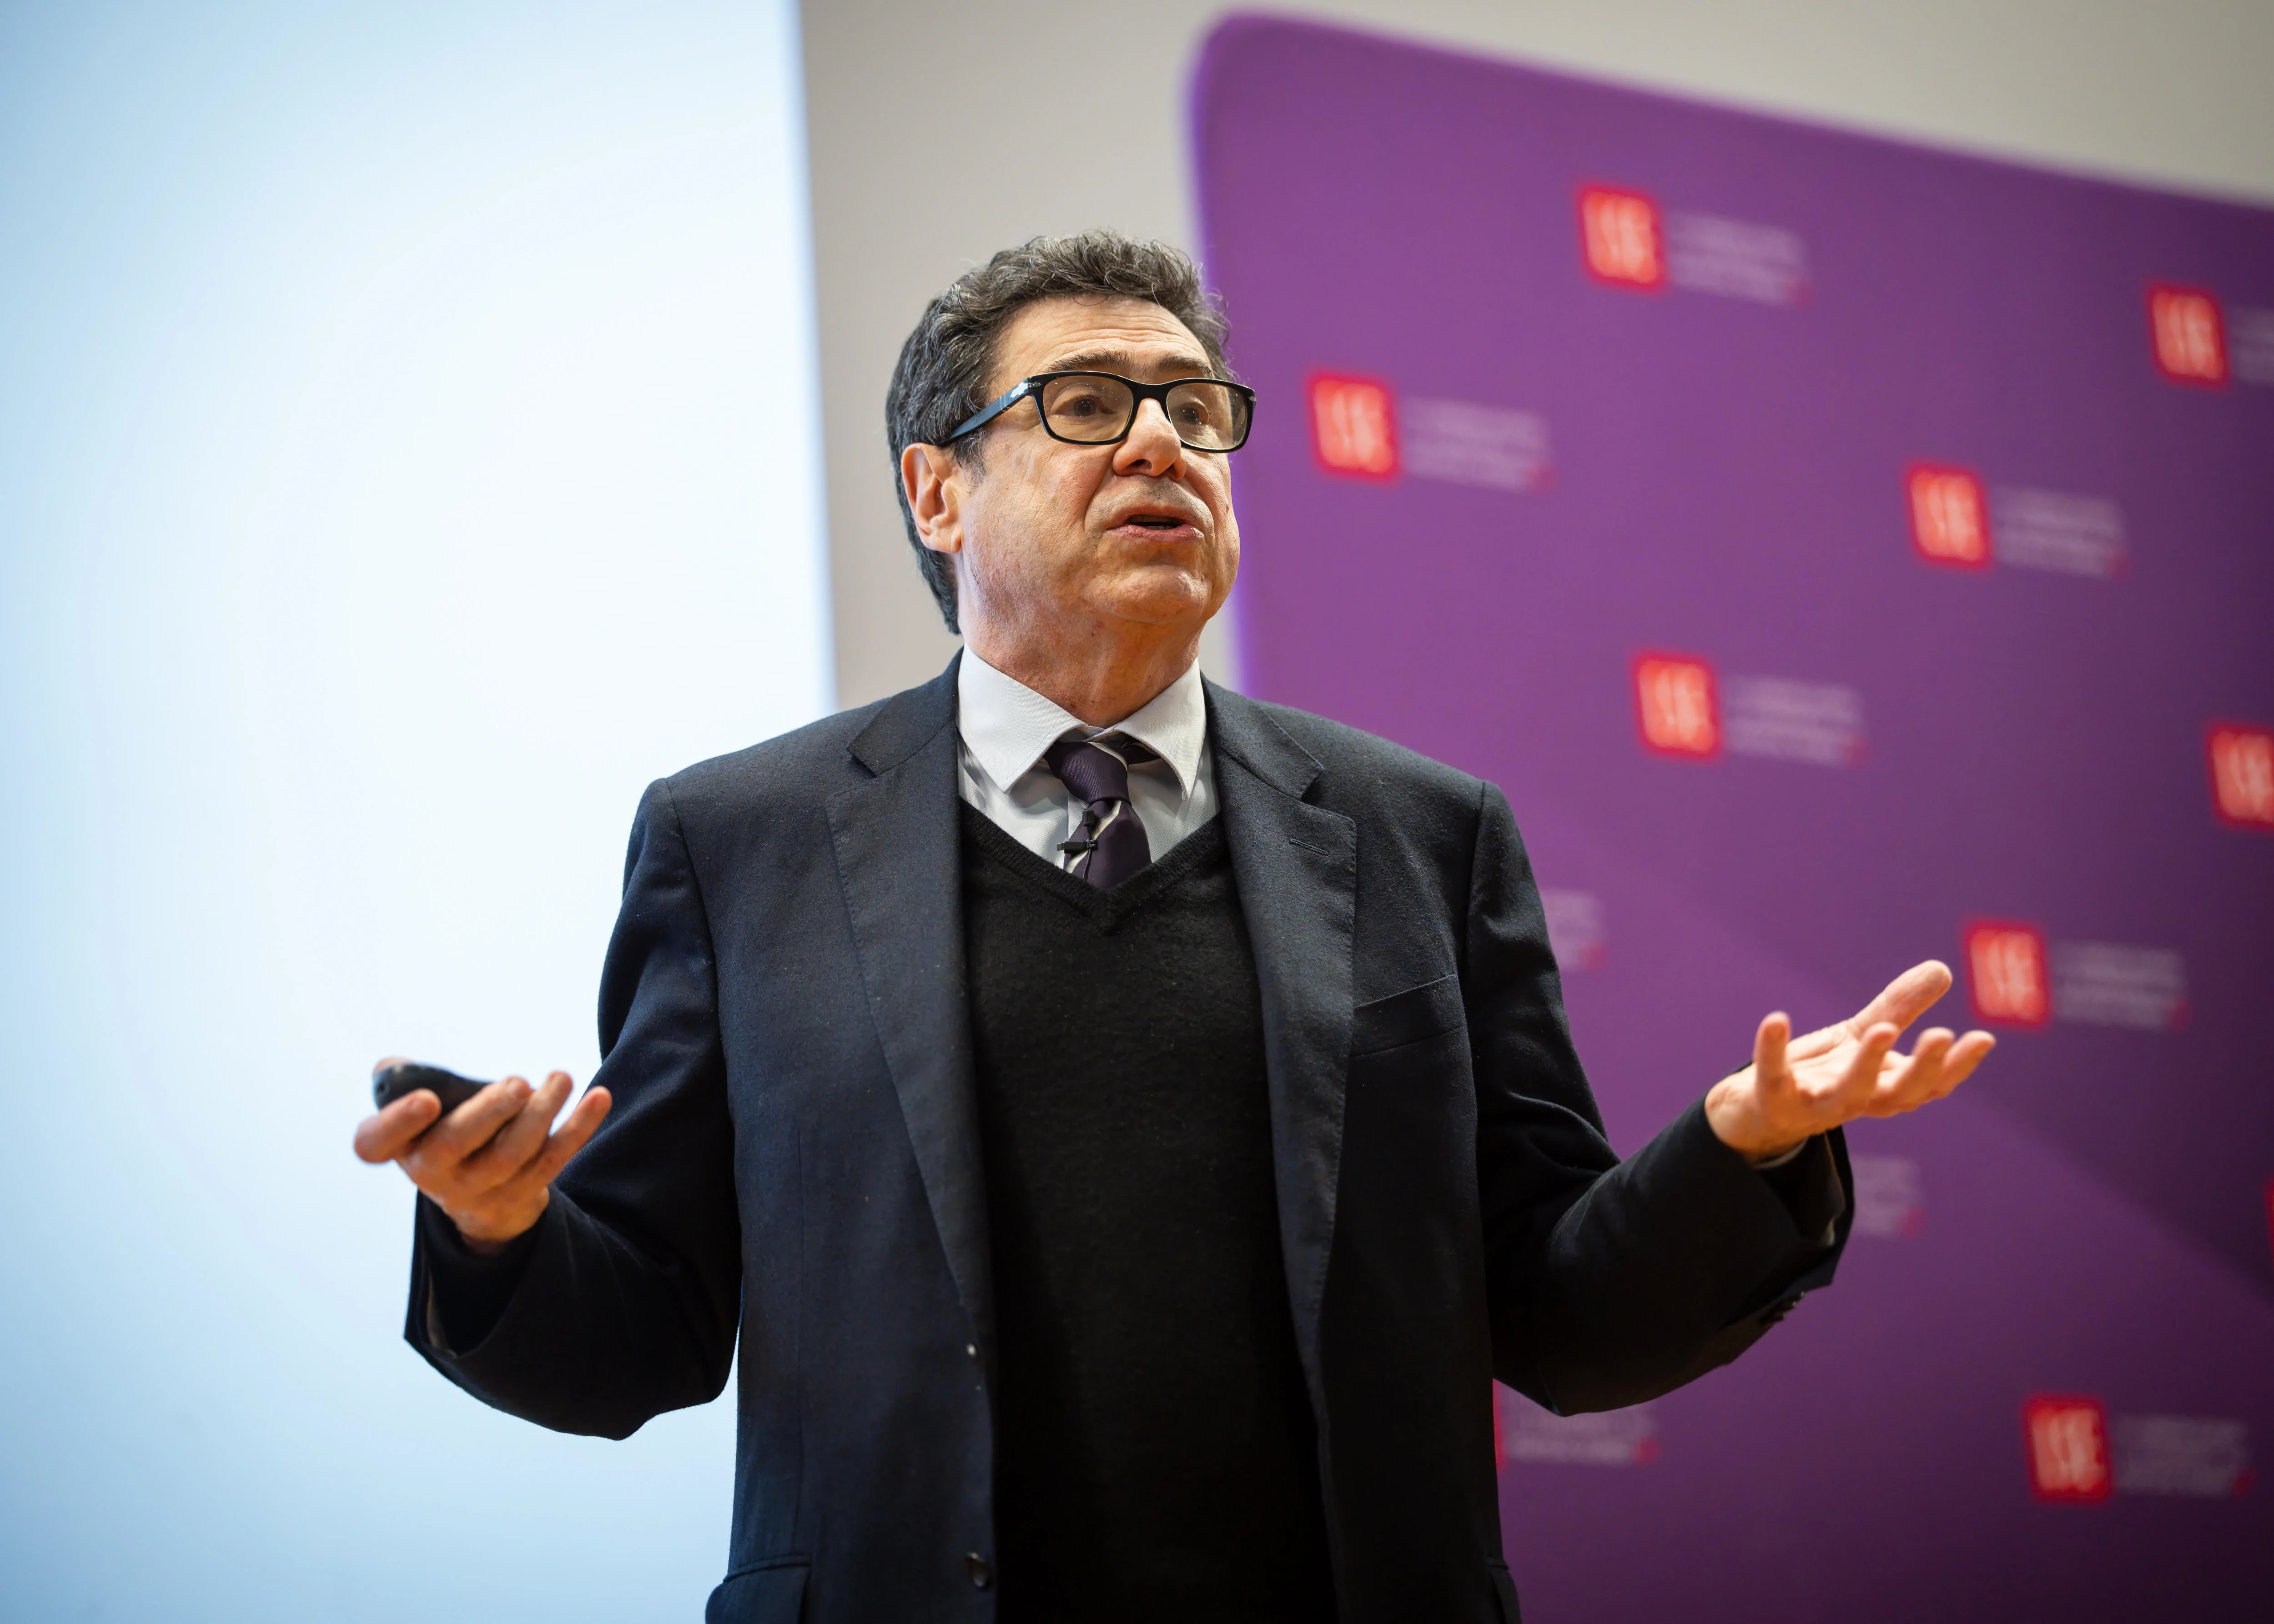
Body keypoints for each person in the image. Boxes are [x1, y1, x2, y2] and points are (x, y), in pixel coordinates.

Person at [353, 232, 1993, 1624]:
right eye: (1085, 406)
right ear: (938, 492)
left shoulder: (1423, 833)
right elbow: (641, 1331)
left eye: (1196, 411)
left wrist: (1740, 1150)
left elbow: (1559, 1315)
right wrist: (501, 1234)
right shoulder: (740, 843)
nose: (1161, 446)